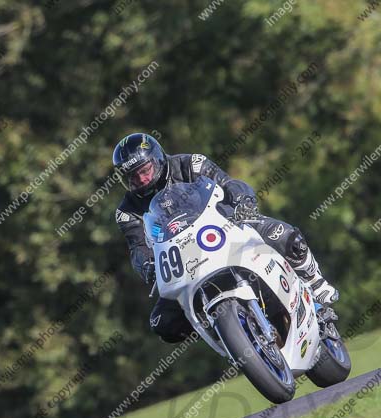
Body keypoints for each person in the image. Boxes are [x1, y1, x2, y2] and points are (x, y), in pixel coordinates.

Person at [113, 132, 338, 343]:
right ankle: (228, 332)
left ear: (158, 159)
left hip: (226, 228)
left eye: (145, 170)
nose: (142, 179)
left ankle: (315, 283)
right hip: (185, 260)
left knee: (285, 236)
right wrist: (148, 267)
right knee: (163, 323)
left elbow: (227, 183)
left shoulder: (190, 164)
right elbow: (137, 246)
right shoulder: (126, 212)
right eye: (133, 177)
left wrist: (242, 200)